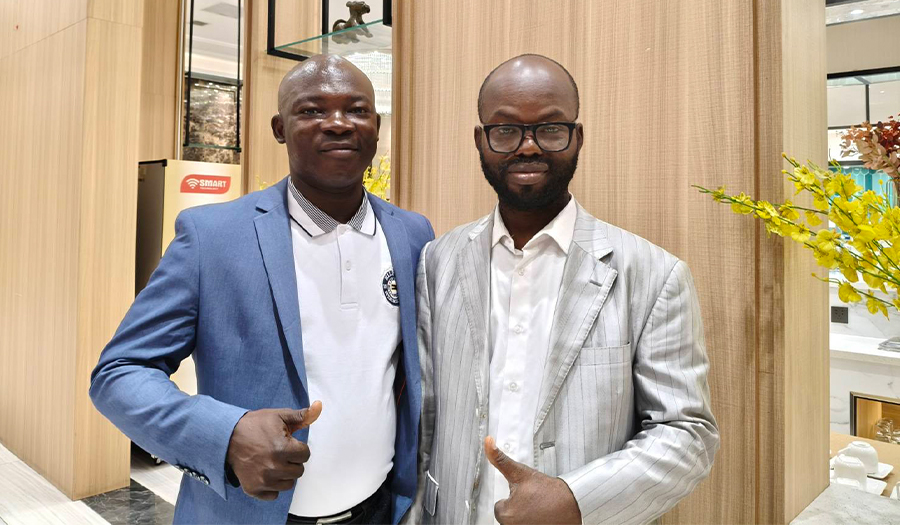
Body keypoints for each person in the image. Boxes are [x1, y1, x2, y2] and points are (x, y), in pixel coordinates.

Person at [91, 55, 433, 525]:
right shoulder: (213, 237)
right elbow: (119, 373)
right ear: (279, 128)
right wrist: (225, 435)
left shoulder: (412, 234)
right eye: (312, 110)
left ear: (376, 127)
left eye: (357, 110)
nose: (338, 123)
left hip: (380, 510)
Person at [412, 54, 719, 525]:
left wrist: (577, 500)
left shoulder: (654, 275)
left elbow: (687, 434)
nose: (528, 147)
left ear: (577, 137)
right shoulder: (439, 259)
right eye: (506, 130)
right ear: (480, 139)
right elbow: (427, 418)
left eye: (551, 129)